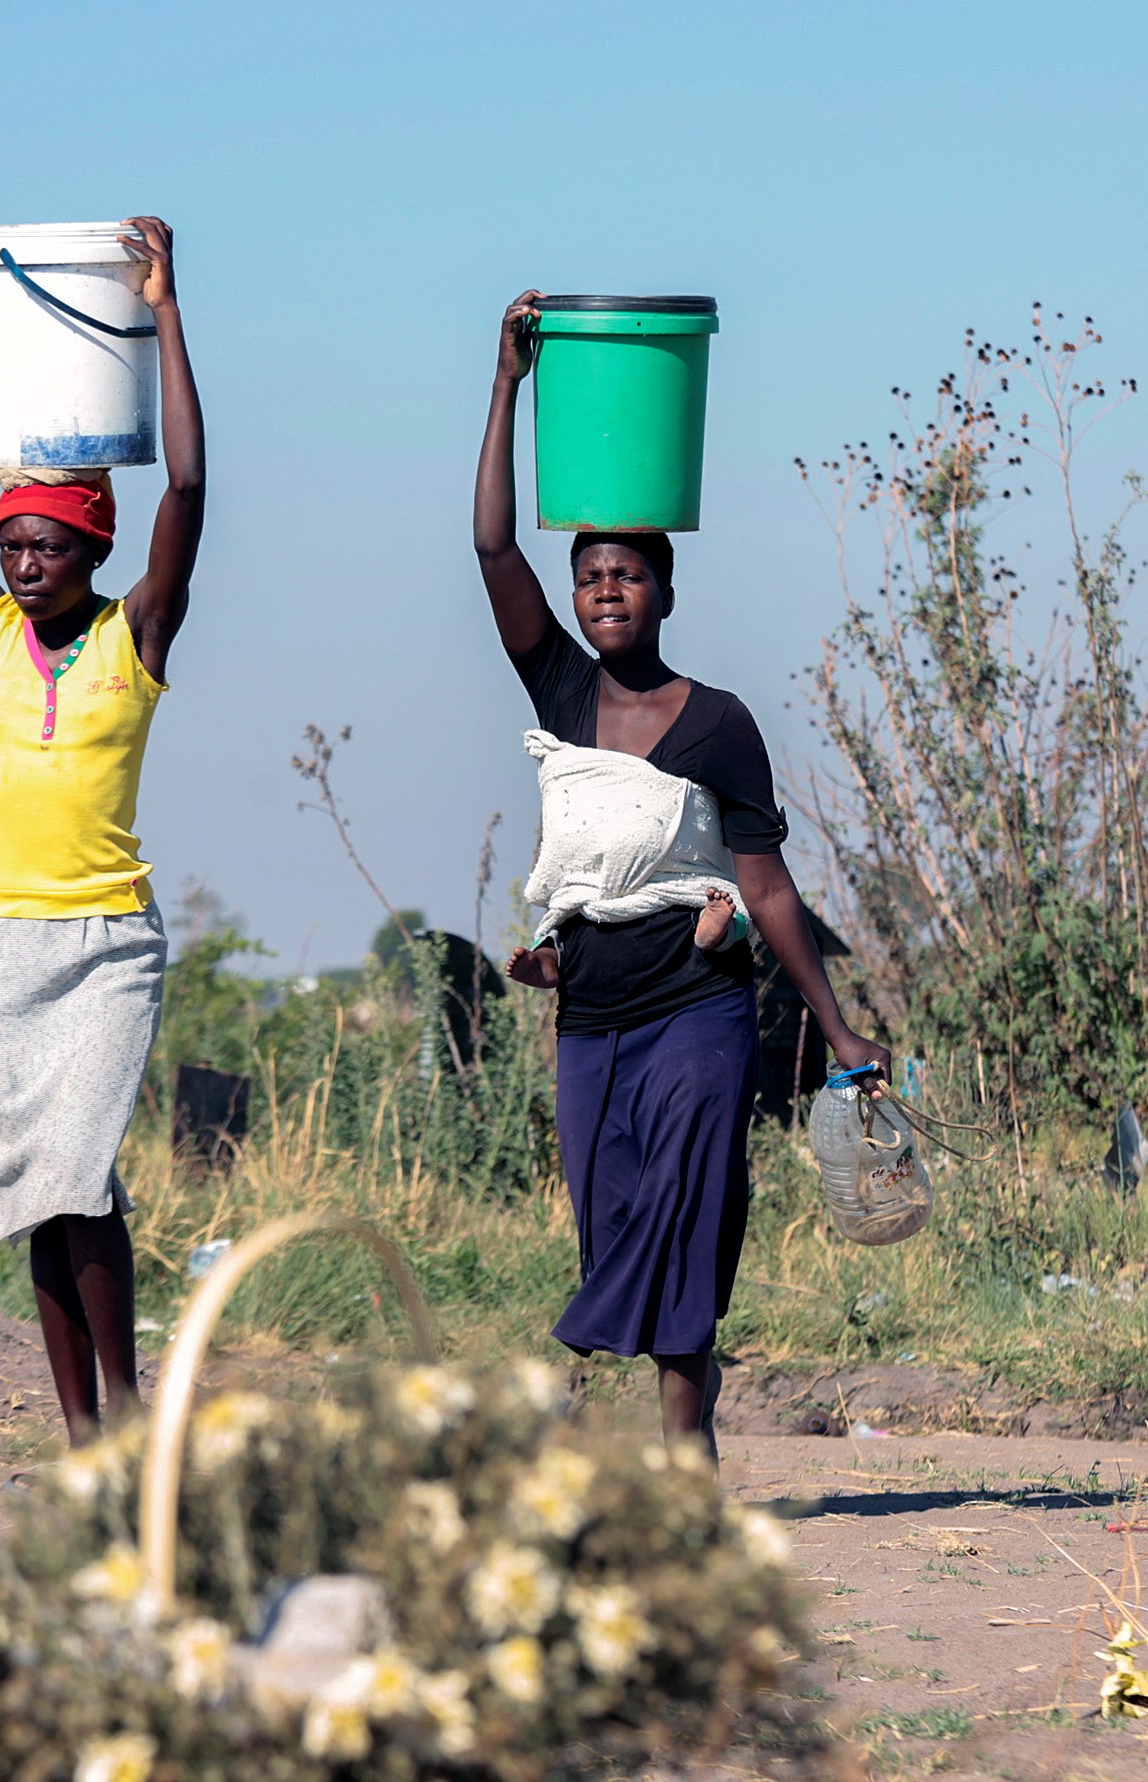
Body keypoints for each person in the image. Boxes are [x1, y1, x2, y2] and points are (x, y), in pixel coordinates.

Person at [473, 289, 892, 1459]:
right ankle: (658, 1418)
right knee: (611, 1223)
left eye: (630, 577)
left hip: (700, 1011)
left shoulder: (716, 723)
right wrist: (506, 383)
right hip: (594, 1016)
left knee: (689, 1207)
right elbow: (491, 546)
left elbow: (764, 888)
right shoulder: (560, 693)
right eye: (593, 577)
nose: (608, 591)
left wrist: (839, 1028)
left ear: (666, 590)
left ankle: (684, 1440)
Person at [0, 218, 205, 1446]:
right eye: (9, 542)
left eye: (45, 545)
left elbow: (189, 488)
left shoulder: (136, 638)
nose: (19, 563)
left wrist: (166, 315)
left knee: (78, 1177)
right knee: (33, 1202)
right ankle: (81, 1432)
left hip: (108, 943)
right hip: (11, 944)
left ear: (91, 550)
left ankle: (123, 1404)